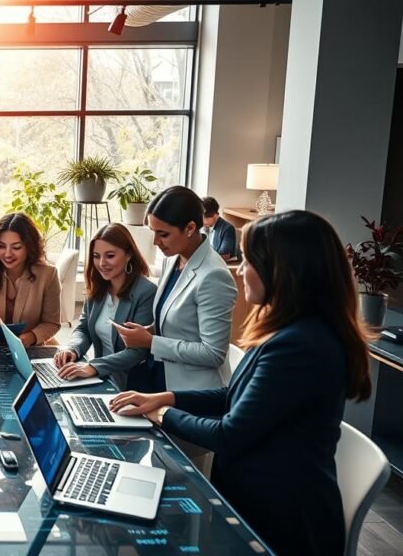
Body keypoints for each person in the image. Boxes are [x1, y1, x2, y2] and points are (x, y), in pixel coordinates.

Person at [110, 210, 371, 556]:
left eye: (249, 261)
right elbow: (235, 395)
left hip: (281, 523)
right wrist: (166, 398)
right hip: (261, 503)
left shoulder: (300, 346)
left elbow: (228, 435)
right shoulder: (291, 332)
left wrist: (161, 416)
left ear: (283, 270)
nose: (241, 270)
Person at [114, 186, 237, 394]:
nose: (155, 242)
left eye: (163, 234)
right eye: (153, 232)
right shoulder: (174, 259)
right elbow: (177, 324)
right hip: (160, 377)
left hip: (192, 392)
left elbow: (213, 353)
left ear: (190, 228)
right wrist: (149, 330)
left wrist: (151, 342)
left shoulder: (214, 275)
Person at [53, 223, 158, 389]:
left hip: (129, 384)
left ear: (128, 254)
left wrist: (93, 367)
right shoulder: (98, 286)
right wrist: (72, 349)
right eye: (96, 256)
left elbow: (138, 351)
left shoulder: (146, 292)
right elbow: (84, 329)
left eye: (110, 256)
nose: (102, 263)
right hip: (99, 379)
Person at [0, 212, 61, 346]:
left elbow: (51, 323)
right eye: (1, 246)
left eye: (16, 247)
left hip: (32, 347)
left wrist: (30, 338)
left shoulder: (48, 273)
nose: (7, 254)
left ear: (29, 247)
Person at [202, 196, 240, 261]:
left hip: (225, 263)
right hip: (211, 260)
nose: (203, 222)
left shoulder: (228, 229)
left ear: (215, 215)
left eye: (206, 218)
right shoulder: (206, 227)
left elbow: (225, 255)